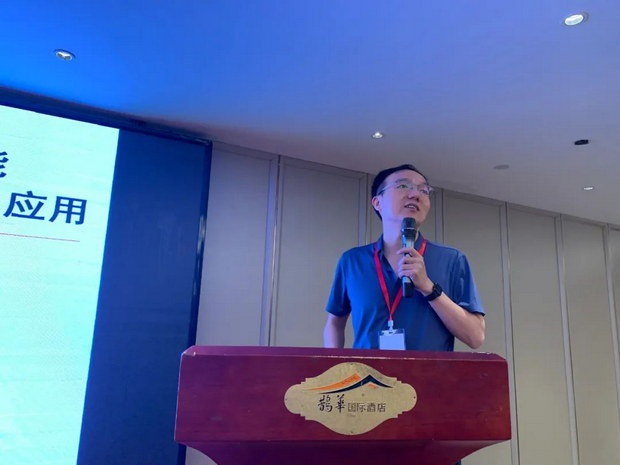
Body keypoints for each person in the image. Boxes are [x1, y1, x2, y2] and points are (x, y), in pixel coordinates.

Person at [323, 164, 485, 351]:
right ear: (377, 202)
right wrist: (335, 364)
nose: (415, 194)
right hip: (367, 371)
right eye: (403, 186)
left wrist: (428, 288)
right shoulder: (352, 261)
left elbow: (476, 337)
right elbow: (335, 323)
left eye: (424, 190)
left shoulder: (452, 260)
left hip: (431, 371)